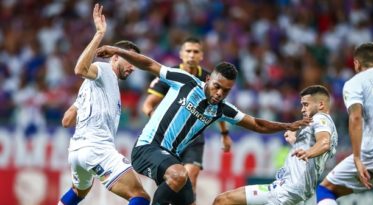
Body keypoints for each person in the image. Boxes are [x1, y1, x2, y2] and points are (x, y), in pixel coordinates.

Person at [96, 45, 311, 205]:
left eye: (225, 90)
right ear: (208, 79)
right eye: (217, 86)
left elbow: (257, 124)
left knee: (189, 198)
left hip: (171, 158)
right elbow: (150, 64)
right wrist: (117, 50)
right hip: (147, 148)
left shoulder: (222, 109)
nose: (219, 93)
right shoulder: (185, 81)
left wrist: (287, 125)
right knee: (179, 175)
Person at [58, 4, 150, 205]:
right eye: (129, 60)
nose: (133, 67)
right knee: (140, 196)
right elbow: (79, 68)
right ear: (115, 57)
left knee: (79, 190)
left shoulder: (90, 87)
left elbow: (66, 120)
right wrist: (99, 34)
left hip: (76, 151)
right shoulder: (103, 70)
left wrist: (80, 109)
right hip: (97, 148)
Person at [212, 85, 338, 205]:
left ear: (321, 104)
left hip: (288, 192)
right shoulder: (322, 126)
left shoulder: (321, 118)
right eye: (302, 105)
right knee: (222, 200)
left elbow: (324, 143)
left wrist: (307, 153)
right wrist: (295, 141)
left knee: (223, 201)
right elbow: (315, 149)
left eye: (306, 105)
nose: (302, 109)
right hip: (288, 189)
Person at [142, 36, 232, 198]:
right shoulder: (170, 75)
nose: (192, 55)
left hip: (193, 138)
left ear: (201, 55)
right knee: (174, 179)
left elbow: (220, 108)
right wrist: (155, 118)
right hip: (168, 136)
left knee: (191, 177)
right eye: (188, 51)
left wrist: (224, 135)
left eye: (195, 51)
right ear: (181, 54)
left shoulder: (210, 79)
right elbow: (147, 105)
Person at [316, 42, 373, 205]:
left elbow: (356, 118)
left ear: (356, 63)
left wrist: (357, 158)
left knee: (325, 189)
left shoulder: (354, 83)